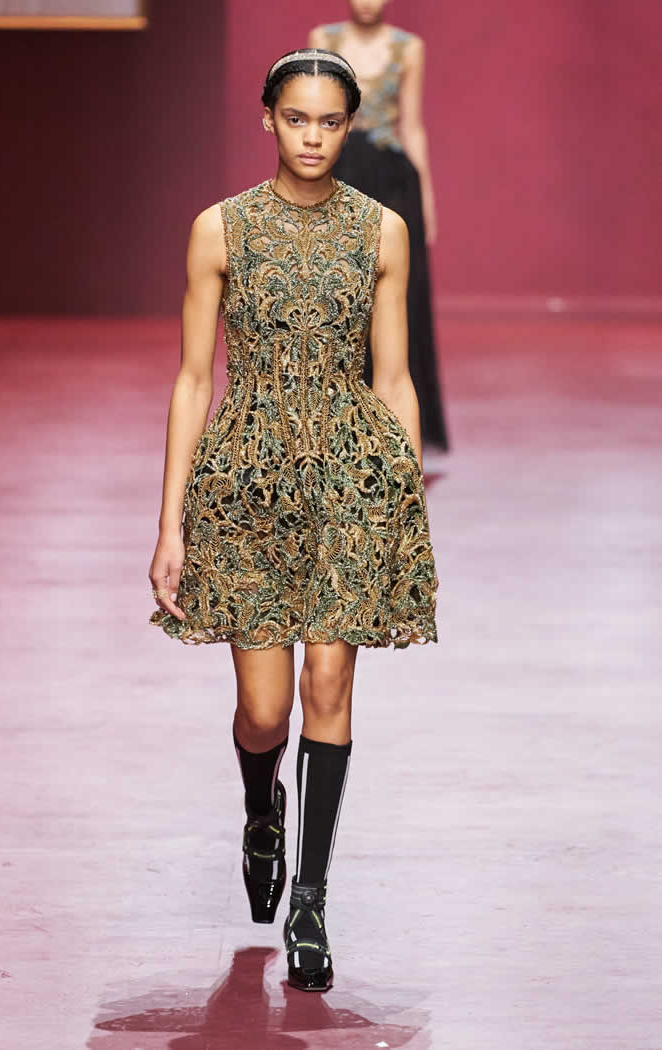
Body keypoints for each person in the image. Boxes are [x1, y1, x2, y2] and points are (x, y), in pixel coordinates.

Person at [148, 47, 438, 993]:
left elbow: (394, 377)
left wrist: (402, 506)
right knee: (265, 711)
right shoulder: (220, 230)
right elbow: (193, 381)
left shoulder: (383, 231)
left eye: (330, 121)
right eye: (297, 118)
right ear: (267, 119)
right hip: (246, 482)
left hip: (349, 475)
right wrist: (170, 526)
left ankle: (310, 899)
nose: (313, 137)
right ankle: (261, 809)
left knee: (328, 682)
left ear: (350, 126)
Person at [309, 2, 450, 453]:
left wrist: (427, 200)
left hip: (393, 180)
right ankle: (329, 422)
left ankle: (395, 427)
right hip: (337, 174)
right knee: (332, 291)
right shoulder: (323, 40)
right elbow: (312, 116)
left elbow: (413, 126)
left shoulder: (409, 48)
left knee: (398, 298)